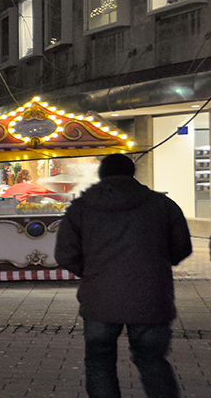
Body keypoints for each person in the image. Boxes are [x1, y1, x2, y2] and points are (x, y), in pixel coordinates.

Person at [55, 153, 192, 398]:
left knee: (99, 363)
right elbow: (182, 247)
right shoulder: (162, 205)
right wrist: (157, 264)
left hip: (99, 300)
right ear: (133, 173)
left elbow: (65, 254)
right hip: (151, 298)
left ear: (101, 175)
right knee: (152, 361)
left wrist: (92, 273)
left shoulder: (81, 208)